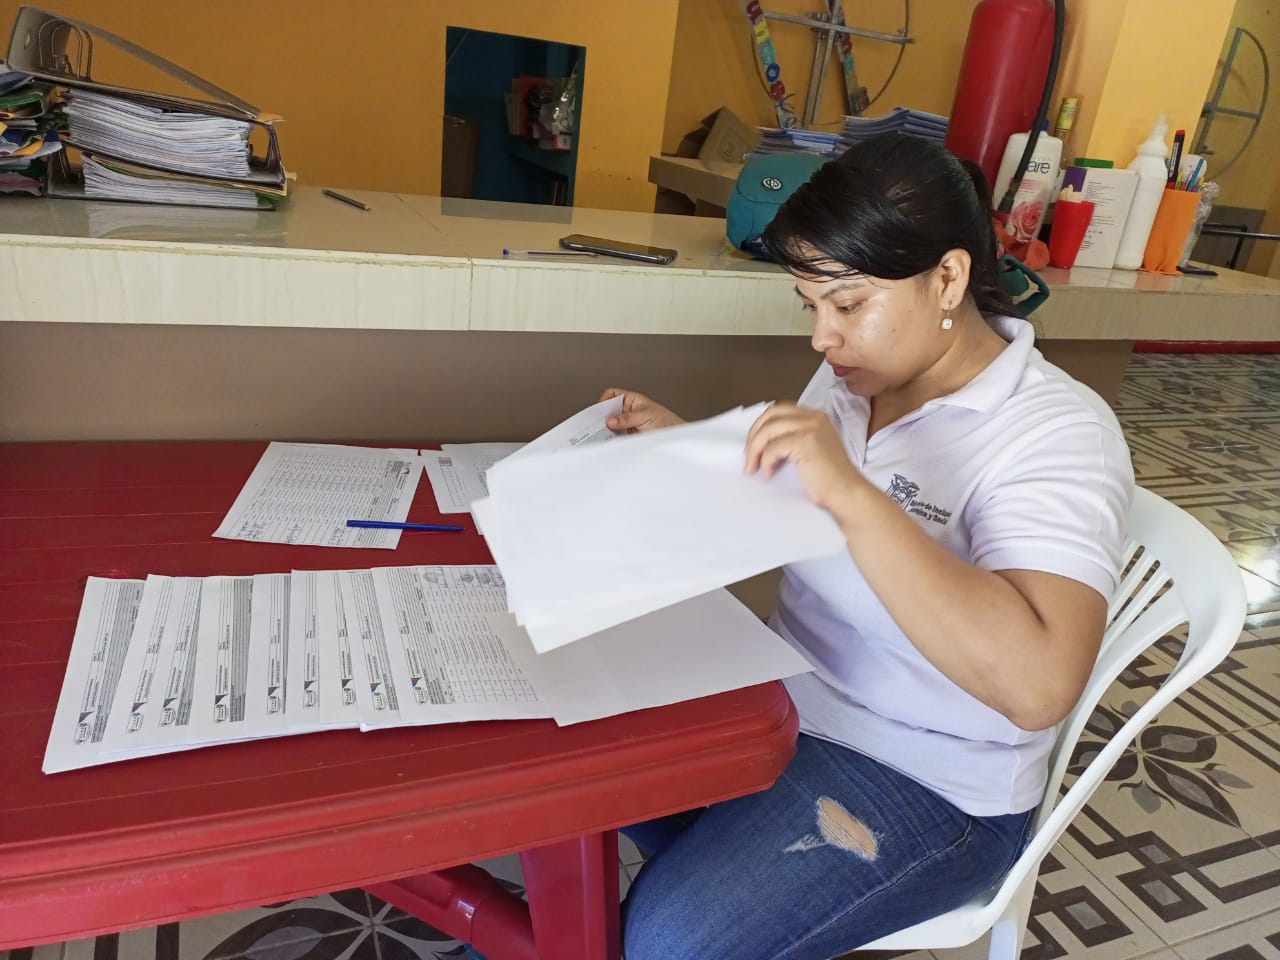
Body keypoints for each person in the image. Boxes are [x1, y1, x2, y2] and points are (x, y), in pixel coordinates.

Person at [600, 134, 1134, 960]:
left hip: (925, 778)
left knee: (668, 939)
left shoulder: (1056, 434)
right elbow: (799, 510)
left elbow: (1037, 686)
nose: (823, 337)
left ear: (947, 278)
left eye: (847, 304)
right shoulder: (861, 375)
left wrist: (855, 495)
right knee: (561, 765)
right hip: (781, 701)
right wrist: (687, 447)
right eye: (810, 306)